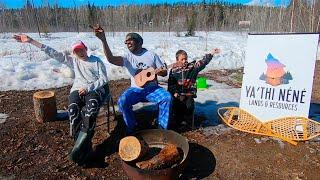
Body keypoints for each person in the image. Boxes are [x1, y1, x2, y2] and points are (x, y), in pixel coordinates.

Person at [13, 34, 109, 165]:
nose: (79, 52)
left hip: (93, 89)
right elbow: (53, 53)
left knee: (90, 111)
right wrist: (31, 41)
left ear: (86, 49)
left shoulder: (96, 61)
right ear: (74, 53)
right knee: (73, 110)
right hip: (77, 89)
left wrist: (88, 88)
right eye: (76, 51)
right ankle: (82, 147)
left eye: (81, 49)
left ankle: (80, 148)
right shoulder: (73, 61)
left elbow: (103, 79)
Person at [93, 25, 172, 134]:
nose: (127, 43)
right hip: (135, 90)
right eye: (126, 42)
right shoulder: (127, 57)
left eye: (130, 40)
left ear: (139, 42)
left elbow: (164, 72)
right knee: (123, 101)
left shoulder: (151, 55)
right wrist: (103, 40)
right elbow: (111, 59)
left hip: (152, 89)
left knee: (166, 97)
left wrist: (157, 71)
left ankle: (161, 128)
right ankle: (132, 126)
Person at [168, 49, 220, 130]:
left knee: (189, 106)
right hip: (178, 95)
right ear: (177, 60)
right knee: (177, 108)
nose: (184, 61)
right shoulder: (173, 71)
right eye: (182, 59)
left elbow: (203, 62)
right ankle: (177, 122)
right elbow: (171, 85)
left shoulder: (192, 67)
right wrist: (175, 94)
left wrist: (212, 53)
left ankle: (188, 124)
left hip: (189, 94)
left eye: (186, 58)